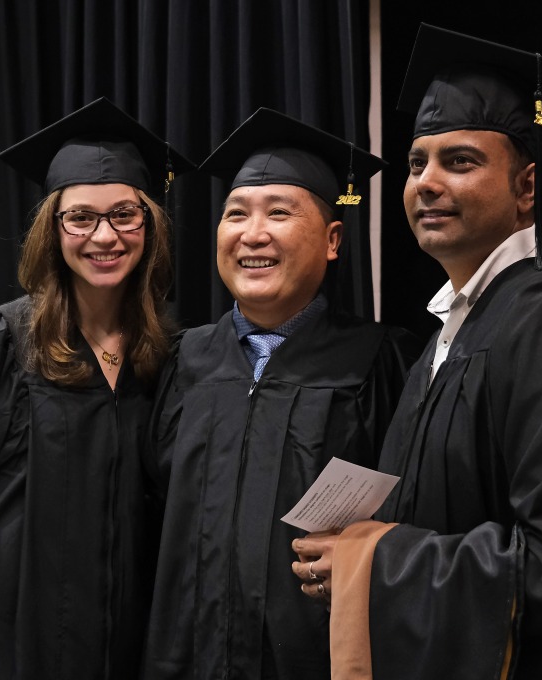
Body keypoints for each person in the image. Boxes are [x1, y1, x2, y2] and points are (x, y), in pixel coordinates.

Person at [291, 24, 542, 680]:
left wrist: (376, 563)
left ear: (526, 187)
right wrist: (349, 562)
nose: (427, 183)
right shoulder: (447, 338)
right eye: (416, 165)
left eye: (460, 161)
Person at [139, 107, 422, 680]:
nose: (253, 233)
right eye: (235, 214)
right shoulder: (181, 359)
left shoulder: (382, 360)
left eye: (279, 213)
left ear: (333, 239)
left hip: (318, 660)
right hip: (183, 657)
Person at [0, 97, 194, 679]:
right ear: (54, 229)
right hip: (3, 654)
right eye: (81, 218)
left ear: (149, 224)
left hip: (122, 654)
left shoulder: (168, 357)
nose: (105, 236)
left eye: (124, 214)